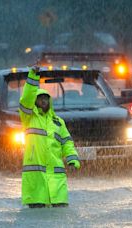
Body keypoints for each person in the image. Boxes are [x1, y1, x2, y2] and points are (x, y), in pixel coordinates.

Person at [19, 66, 80, 208]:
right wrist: (33, 76)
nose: (43, 101)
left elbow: (67, 142)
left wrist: (72, 159)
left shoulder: (58, 122)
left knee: (59, 218)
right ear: (34, 101)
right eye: (40, 98)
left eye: (46, 98)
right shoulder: (29, 118)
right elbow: (26, 98)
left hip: (56, 182)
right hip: (36, 184)